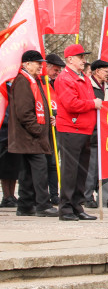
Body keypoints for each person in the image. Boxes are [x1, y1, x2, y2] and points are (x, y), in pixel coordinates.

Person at [54, 44, 101, 221]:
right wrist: (93, 104)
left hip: (84, 128)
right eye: (80, 57)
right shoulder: (65, 78)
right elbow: (71, 104)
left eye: (83, 56)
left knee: (81, 170)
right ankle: (65, 207)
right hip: (71, 129)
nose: (83, 60)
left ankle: (77, 205)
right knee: (70, 170)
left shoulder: (83, 78)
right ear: (70, 59)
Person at [8, 50, 58, 217]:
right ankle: (42, 205)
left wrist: (47, 117)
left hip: (30, 135)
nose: (41, 66)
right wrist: (38, 129)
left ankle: (25, 205)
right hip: (30, 135)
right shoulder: (23, 81)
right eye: (38, 63)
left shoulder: (32, 80)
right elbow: (24, 112)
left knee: (28, 172)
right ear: (26, 64)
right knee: (40, 169)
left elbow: (35, 107)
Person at [86, 59, 108, 209]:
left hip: (107, 133)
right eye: (106, 71)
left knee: (106, 168)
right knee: (91, 168)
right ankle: (88, 196)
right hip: (92, 132)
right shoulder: (87, 86)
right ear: (97, 71)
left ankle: (105, 198)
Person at [43, 54, 65, 205]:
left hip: (55, 128)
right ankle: (42, 195)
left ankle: (54, 193)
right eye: (55, 70)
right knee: (42, 163)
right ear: (48, 67)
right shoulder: (41, 83)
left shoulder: (57, 84)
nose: (57, 73)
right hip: (42, 129)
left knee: (53, 162)